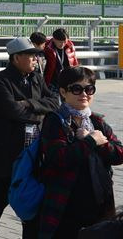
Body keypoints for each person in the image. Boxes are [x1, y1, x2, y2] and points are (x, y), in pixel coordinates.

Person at [0, 37, 59, 239]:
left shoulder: (36, 77)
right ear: (16, 58)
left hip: (34, 149)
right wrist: (39, 110)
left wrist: (28, 103)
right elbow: (11, 111)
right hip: (8, 150)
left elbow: (54, 102)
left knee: (31, 197)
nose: (35, 60)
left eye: (36, 56)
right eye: (30, 55)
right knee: (0, 196)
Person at [38, 67, 123, 239]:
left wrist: (100, 144)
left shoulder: (96, 121)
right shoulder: (55, 121)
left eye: (89, 89)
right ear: (63, 91)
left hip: (100, 202)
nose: (84, 94)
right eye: (76, 89)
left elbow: (119, 154)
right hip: (66, 203)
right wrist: (91, 142)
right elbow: (59, 158)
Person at [43, 28, 79, 92]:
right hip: (52, 81)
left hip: (67, 81)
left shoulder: (70, 46)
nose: (62, 44)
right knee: (54, 101)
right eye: (60, 42)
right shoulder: (47, 47)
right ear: (54, 39)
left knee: (67, 101)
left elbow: (75, 63)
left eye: (64, 42)